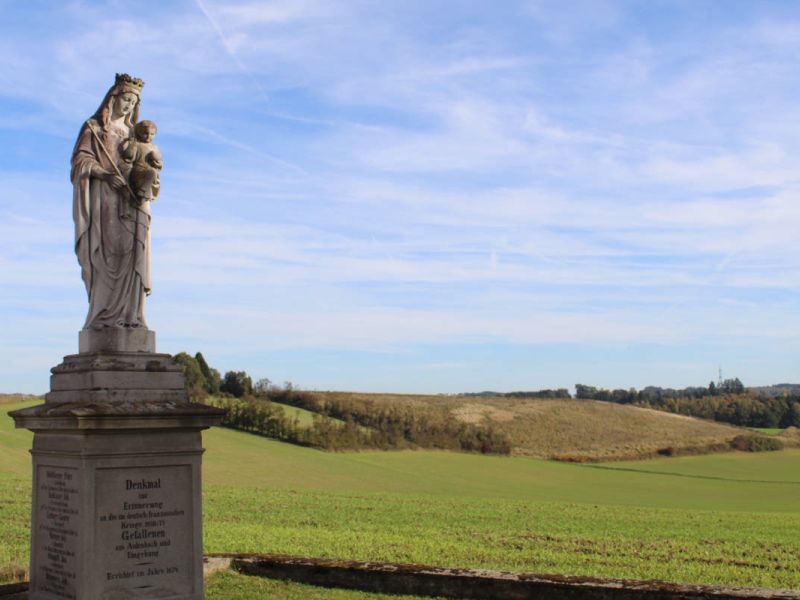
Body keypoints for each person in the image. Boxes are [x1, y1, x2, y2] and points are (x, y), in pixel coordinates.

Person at [71, 73, 153, 330]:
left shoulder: (136, 135)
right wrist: (105, 175)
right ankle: (104, 317)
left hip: (132, 201)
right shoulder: (95, 129)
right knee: (108, 255)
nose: (128, 105)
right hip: (105, 198)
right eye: (125, 99)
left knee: (132, 256)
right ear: (113, 98)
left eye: (133, 102)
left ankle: (132, 316)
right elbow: (80, 162)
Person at [121, 119, 163, 204]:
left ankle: (143, 194)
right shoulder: (137, 144)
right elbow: (128, 156)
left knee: (152, 172)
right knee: (152, 172)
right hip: (138, 171)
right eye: (145, 133)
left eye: (152, 134)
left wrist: (159, 164)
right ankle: (142, 194)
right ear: (139, 133)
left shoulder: (154, 147)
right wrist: (132, 145)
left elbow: (160, 163)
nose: (148, 136)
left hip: (149, 175)